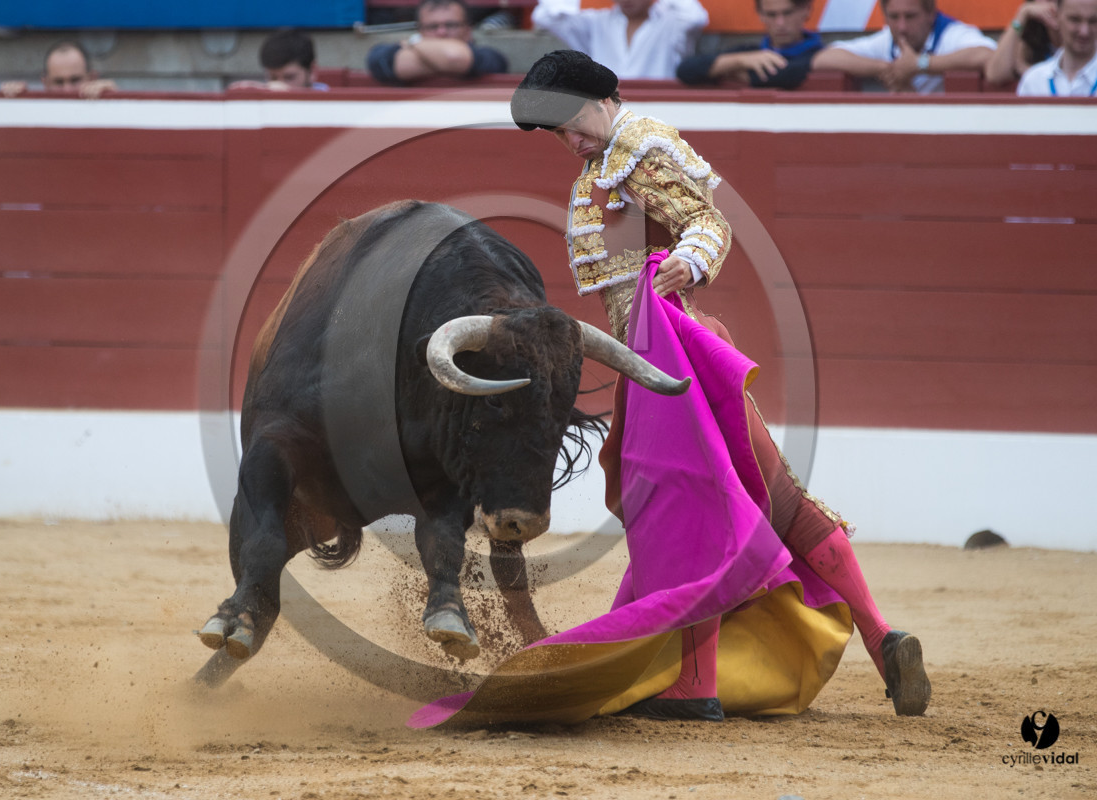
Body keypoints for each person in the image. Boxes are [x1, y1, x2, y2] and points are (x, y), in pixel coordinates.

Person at [419, 50, 933, 727]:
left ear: (605, 98)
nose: (569, 140)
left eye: (572, 122)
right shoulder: (600, 167)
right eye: (558, 133)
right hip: (657, 360)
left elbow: (708, 222)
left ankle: (695, 687)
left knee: (686, 512)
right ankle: (881, 638)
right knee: (778, 503)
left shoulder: (640, 143)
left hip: (679, 356)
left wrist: (687, 264)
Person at [811, 0, 996, 93]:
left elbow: (988, 56)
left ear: (931, 14)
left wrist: (920, 63)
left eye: (910, 16)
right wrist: (887, 68)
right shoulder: (886, 39)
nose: (902, 27)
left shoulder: (952, 34)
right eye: (894, 17)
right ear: (884, 14)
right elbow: (823, 59)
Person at [532, 0, 709, 80]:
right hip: (608, 117)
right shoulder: (596, 23)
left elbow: (696, 17)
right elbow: (546, 17)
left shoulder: (671, 23)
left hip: (660, 112)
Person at [676, 0, 822, 89]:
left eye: (787, 13)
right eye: (771, 15)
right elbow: (686, 70)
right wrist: (741, 60)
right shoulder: (750, 53)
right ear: (760, 15)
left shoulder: (821, 54)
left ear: (807, 10)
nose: (780, 23)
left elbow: (786, 75)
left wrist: (733, 71)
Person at [366, 0, 509, 85]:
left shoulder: (489, 56)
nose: (441, 32)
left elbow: (454, 56)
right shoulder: (382, 53)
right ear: (420, 29)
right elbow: (452, 58)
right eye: (432, 26)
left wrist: (412, 43)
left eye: (451, 25)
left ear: (468, 30)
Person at [1017, 0, 1097, 95]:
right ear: (1056, 16)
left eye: (1093, 21)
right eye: (1075, 19)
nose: (1084, 31)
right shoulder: (1034, 81)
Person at [2, 41, 117, 99]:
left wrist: (113, 98)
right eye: (58, 82)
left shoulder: (107, 108)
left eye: (75, 80)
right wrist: (14, 101)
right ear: (45, 83)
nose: (67, 90)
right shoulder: (33, 113)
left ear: (92, 78)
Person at [985, 0, 1060, 85]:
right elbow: (996, 74)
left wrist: (1027, 71)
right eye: (1048, 1)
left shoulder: (1076, 37)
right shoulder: (1030, 35)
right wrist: (1022, 14)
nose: (1052, 6)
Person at [230, 29, 330, 91]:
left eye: (289, 77)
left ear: (312, 71)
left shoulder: (332, 104)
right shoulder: (264, 99)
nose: (279, 86)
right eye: (273, 78)